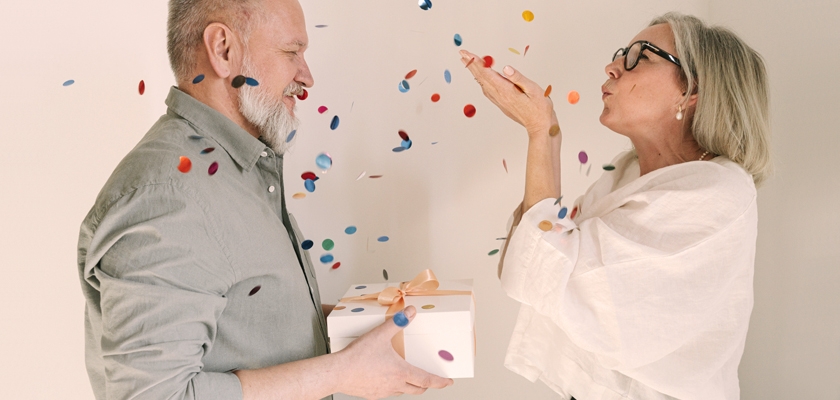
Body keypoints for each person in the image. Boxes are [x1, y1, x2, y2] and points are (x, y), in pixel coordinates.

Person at [76, 0, 453, 399]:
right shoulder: (170, 196)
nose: (307, 76)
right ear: (223, 49)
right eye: (291, 52)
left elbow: (251, 322)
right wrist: (340, 373)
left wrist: (367, 323)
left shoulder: (238, 171)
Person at [461, 12, 770, 400]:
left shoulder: (718, 193)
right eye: (622, 53)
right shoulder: (625, 174)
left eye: (641, 56)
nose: (613, 67)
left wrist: (541, 131)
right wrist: (546, 132)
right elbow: (532, 264)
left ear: (693, 89)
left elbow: (554, 273)